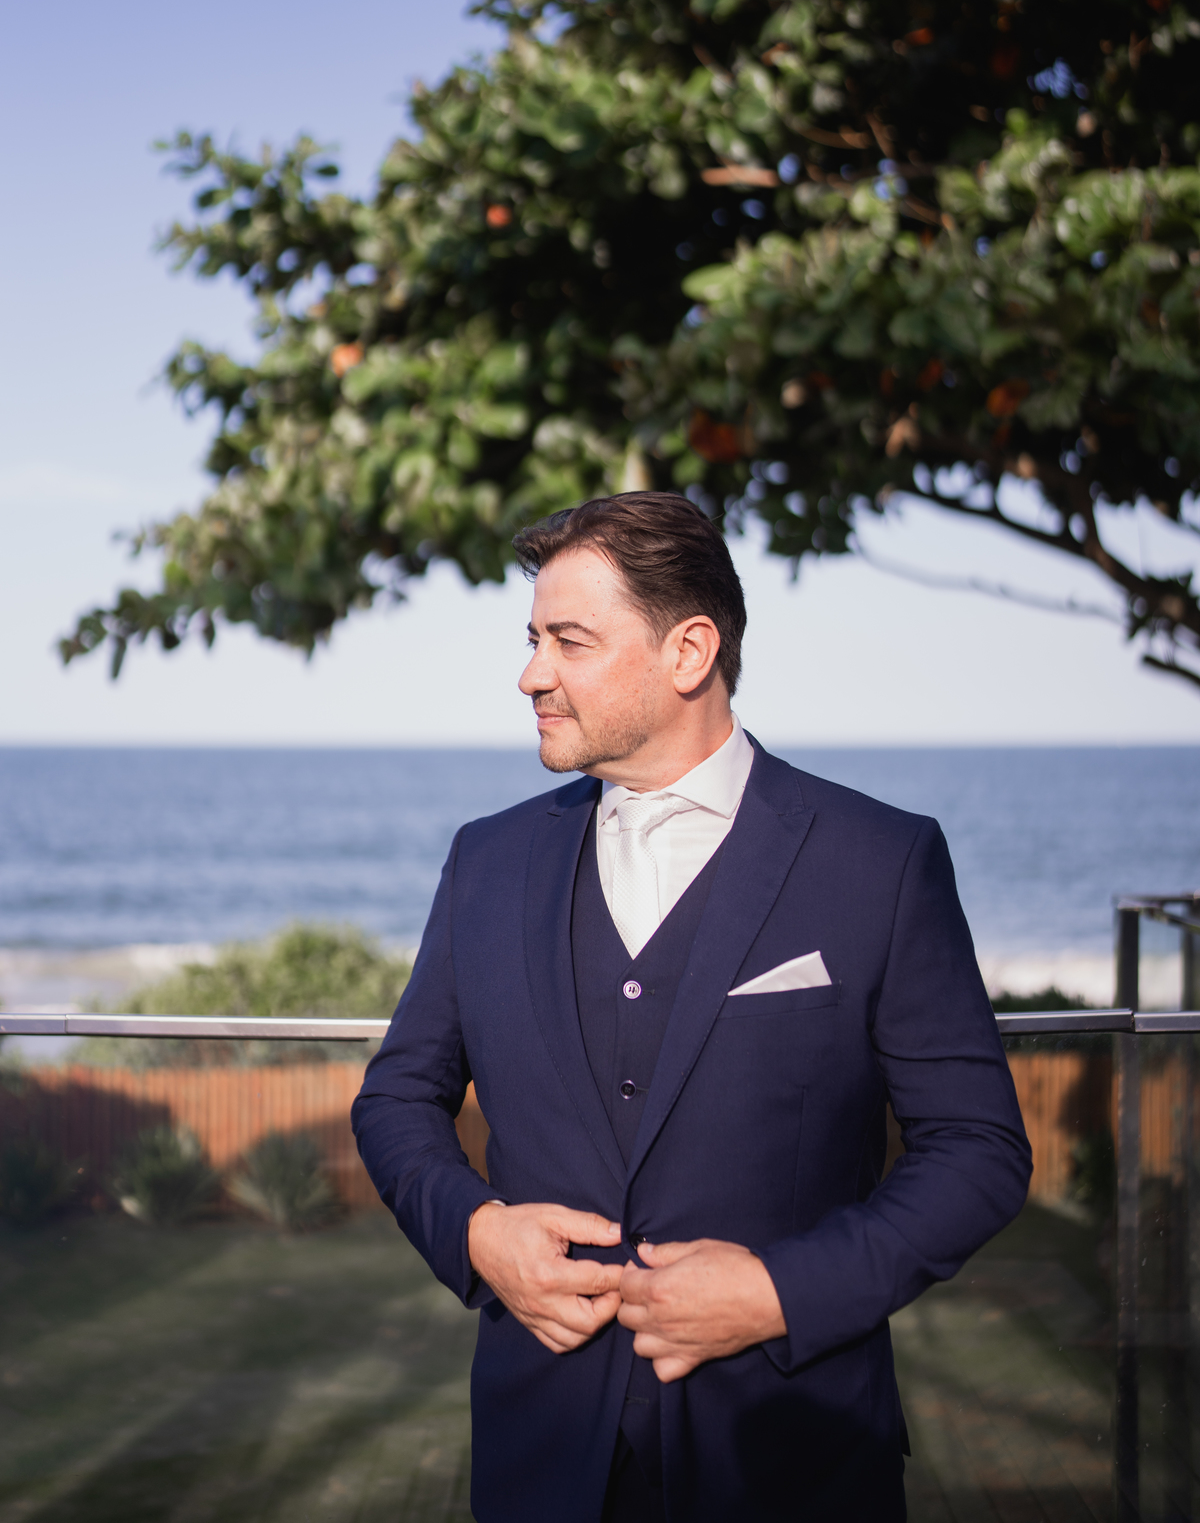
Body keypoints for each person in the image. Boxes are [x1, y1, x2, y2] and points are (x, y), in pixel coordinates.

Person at [352, 492, 1031, 1522]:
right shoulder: (488, 860)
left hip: (794, 1460)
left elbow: (978, 1151)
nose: (531, 673)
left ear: (689, 652)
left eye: (569, 641)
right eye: (533, 640)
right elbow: (397, 1099)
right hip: (542, 1461)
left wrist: (779, 1292)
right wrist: (479, 1233)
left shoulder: (880, 861)